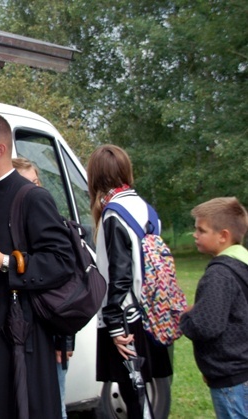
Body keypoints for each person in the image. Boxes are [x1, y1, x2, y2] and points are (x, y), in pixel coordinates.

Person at [0, 113, 76, 418]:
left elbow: (62, 262)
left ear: (0, 149)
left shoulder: (33, 197)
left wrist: (6, 262)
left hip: (19, 340)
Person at [87, 144, 173, 418]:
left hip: (124, 318)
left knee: (134, 398)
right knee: (143, 393)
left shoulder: (114, 214)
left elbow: (119, 276)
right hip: (150, 314)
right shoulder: (148, 210)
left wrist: (113, 326)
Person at [13, 155, 73, 419]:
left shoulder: (48, 220)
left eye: (36, 182)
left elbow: (66, 287)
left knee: (54, 403)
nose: (34, 189)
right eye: (26, 184)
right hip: (28, 331)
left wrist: (66, 338)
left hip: (52, 332)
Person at [180, 197, 248, 419]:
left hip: (230, 379)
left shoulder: (219, 274)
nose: (195, 234)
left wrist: (186, 317)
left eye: (202, 230)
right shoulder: (242, 266)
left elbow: (206, 326)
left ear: (223, 236)